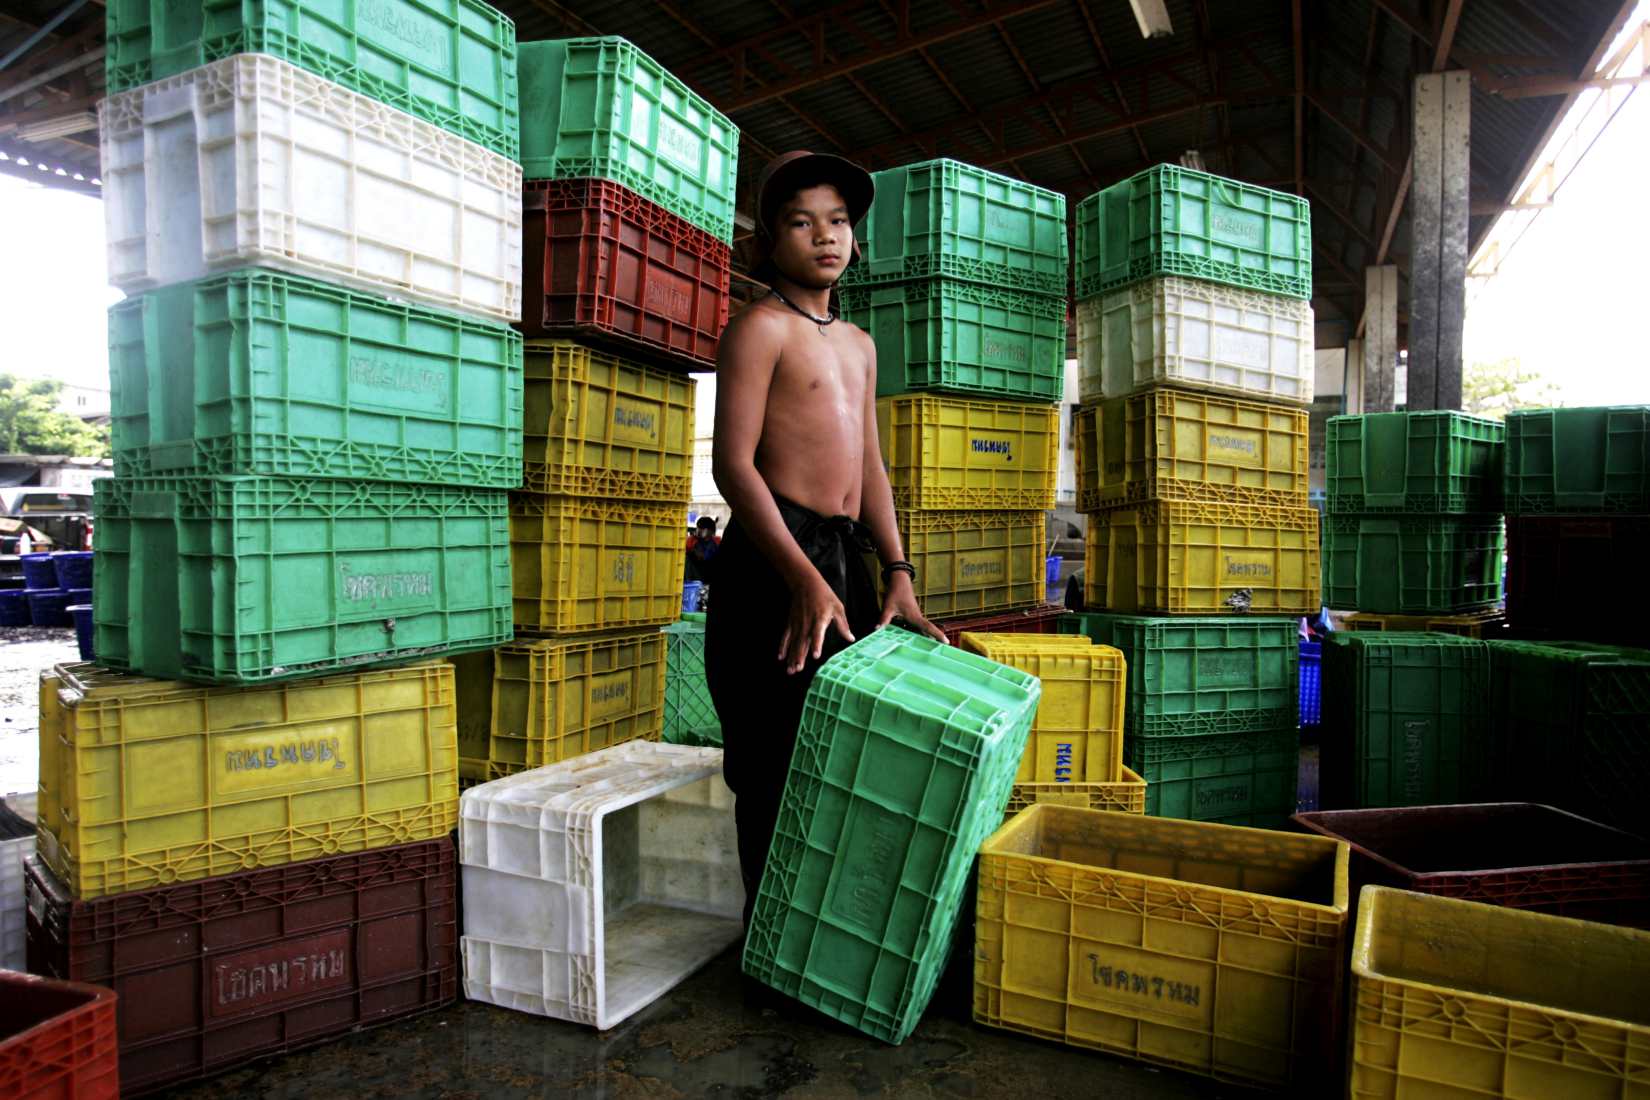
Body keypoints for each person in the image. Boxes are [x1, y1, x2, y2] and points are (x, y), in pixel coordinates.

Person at [705, 151, 946, 927]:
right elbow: (733, 467)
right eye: (801, 221)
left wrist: (897, 570)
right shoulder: (759, 330)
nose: (825, 236)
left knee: (845, 750)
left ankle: (826, 929)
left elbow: (870, 462)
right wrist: (803, 577)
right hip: (775, 560)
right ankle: (769, 935)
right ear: (768, 241)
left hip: (844, 558)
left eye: (838, 221)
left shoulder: (859, 344)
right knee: (771, 757)